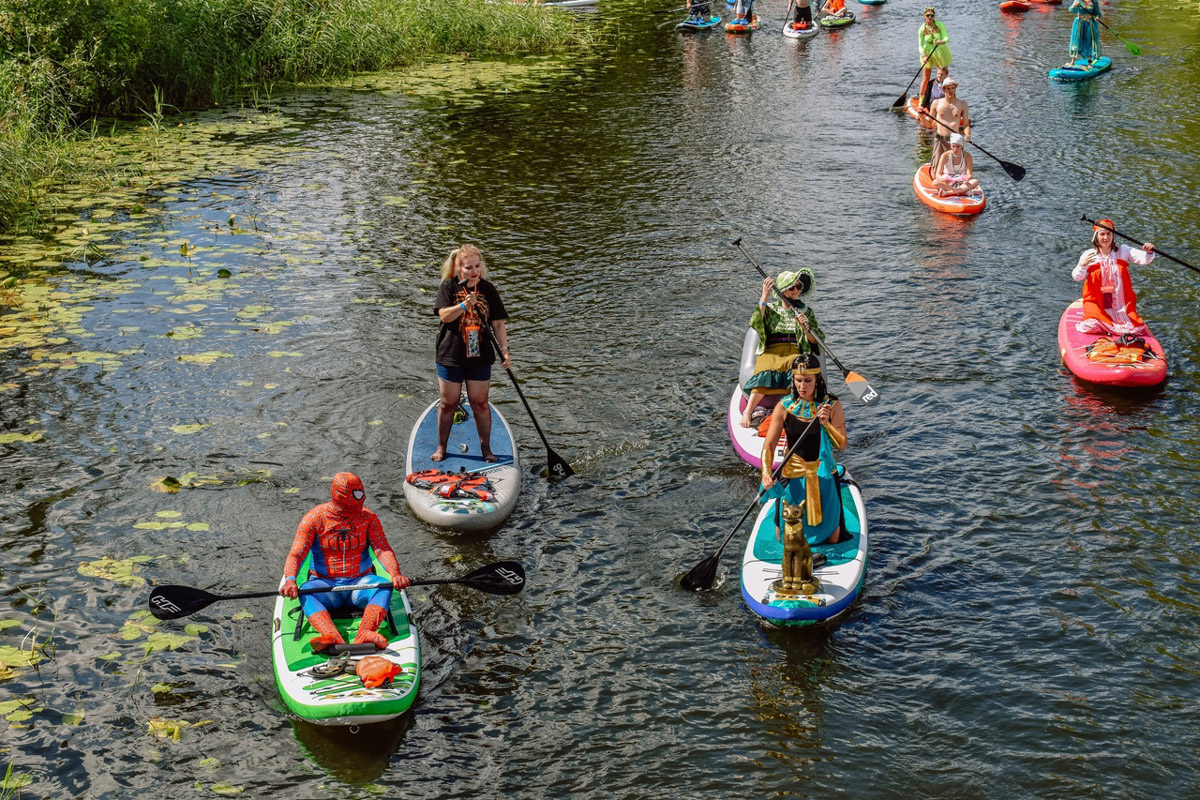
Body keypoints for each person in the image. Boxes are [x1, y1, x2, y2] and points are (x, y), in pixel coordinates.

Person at [280, 473, 412, 651]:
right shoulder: (314, 518)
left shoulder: (368, 518)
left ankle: (365, 632)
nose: (359, 504)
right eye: (353, 500)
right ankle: (331, 635)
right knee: (306, 591)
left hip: (360, 583)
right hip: (324, 585)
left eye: (360, 497)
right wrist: (290, 579)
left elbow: (382, 549)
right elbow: (296, 555)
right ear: (338, 497)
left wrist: (395, 573)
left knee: (384, 586)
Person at [759, 353, 848, 550]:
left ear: (818, 380)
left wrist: (827, 425)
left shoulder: (831, 405)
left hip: (823, 473)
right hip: (794, 475)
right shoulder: (784, 407)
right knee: (784, 537)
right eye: (798, 380)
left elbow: (841, 445)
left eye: (808, 380)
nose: (802, 386)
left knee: (833, 538)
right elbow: (769, 446)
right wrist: (766, 472)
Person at [433, 245, 511, 463]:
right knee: (449, 403)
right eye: (469, 268)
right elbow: (444, 316)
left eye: (478, 266)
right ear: (459, 268)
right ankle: (441, 447)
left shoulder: (487, 289)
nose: (474, 271)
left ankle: (486, 449)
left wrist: (505, 350)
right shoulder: (448, 286)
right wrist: (462, 305)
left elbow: (498, 323)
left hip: (480, 355)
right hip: (451, 354)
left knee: (480, 403)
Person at [739, 270, 823, 428]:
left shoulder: (806, 312)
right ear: (783, 290)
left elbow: (816, 340)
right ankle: (748, 411)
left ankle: (798, 409)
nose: (797, 291)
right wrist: (764, 296)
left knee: (797, 367)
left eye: (799, 287)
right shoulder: (771, 309)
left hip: (795, 351)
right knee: (767, 367)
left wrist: (806, 328)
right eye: (792, 288)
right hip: (772, 350)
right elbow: (756, 322)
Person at [1071, 219, 1156, 335]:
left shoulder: (1123, 251)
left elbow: (1145, 259)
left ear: (1113, 235)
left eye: (1108, 234)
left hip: (1121, 304)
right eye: (1102, 234)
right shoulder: (1089, 255)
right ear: (1096, 237)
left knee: (1131, 328)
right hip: (1097, 302)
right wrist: (1082, 265)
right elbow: (1077, 277)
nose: (1105, 237)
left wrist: (1149, 251)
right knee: (1090, 326)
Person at [923, 76, 970, 176]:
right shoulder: (936, 103)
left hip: (955, 140)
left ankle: (957, 183)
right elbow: (928, 124)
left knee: (956, 169)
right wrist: (922, 116)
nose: (951, 91)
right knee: (936, 169)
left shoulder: (962, 104)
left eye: (953, 88)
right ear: (943, 89)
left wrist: (967, 135)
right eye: (948, 88)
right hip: (940, 139)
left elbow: (966, 125)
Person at [917, 7, 952, 107]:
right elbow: (920, 45)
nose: (930, 17)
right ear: (924, 16)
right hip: (928, 52)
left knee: (942, 76)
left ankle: (947, 96)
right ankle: (922, 99)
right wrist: (923, 56)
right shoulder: (922, 29)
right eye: (928, 15)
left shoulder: (939, 24)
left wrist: (942, 41)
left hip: (940, 50)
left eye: (932, 15)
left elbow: (946, 37)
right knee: (926, 78)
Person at [1066, 0, 1102, 67]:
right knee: (1076, 41)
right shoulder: (1078, 1)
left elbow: (1097, 13)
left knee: (1089, 41)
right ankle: (1072, 61)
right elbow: (1071, 10)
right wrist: (1074, 5)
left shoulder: (1094, 2)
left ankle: (1089, 63)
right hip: (1079, 23)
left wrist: (1097, 17)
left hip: (1090, 24)